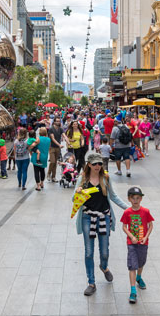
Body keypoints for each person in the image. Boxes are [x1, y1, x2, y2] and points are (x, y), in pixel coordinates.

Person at [74, 153, 128, 296]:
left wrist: (128, 208)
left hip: (104, 217)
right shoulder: (82, 179)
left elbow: (114, 196)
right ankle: (91, 283)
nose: (98, 166)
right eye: (95, 164)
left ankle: (104, 267)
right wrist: (78, 192)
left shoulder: (105, 178)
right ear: (89, 165)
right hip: (87, 218)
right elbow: (74, 199)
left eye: (100, 164)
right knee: (89, 252)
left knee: (104, 251)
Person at [120, 186, 154, 304]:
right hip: (132, 244)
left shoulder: (145, 211)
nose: (136, 200)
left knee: (141, 263)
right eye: (133, 198)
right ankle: (133, 291)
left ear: (141, 199)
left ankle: (139, 277)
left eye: (138, 198)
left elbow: (151, 226)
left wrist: (145, 237)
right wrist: (131, 236)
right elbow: (124, 227)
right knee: (132, 265)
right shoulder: (127, 212)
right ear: (129, 199)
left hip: (143, 243)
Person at [47, 118, 63, 182]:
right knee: (52, 161)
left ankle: (53, 177)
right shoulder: (51, 129)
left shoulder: (60, 129)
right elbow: (52, 138)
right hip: (52, 147)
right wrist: (59, 145)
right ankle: (48, 174)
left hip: (57, 148)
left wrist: (69, 142)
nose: (58, 122)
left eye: (59, 121)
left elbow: (64, 136)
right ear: (54, 122)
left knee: (55, 163)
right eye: (57, 121)